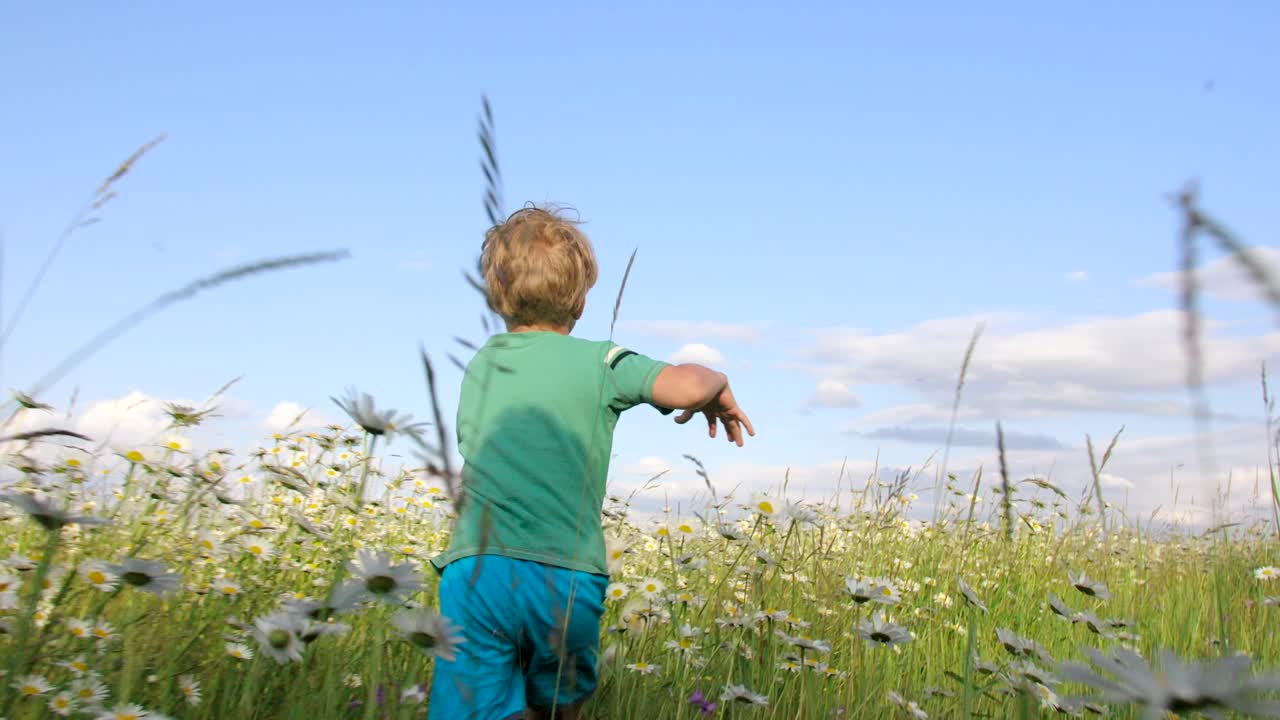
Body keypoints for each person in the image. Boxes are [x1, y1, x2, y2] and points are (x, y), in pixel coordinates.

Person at [427, 205, 754, 720]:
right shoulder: (603, 361)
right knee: (559, 706)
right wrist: (718, 385)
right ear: (580, 301)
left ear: (497, 296)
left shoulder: (484, 363)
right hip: (564, 578)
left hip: (477, 571)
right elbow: (690, 385)